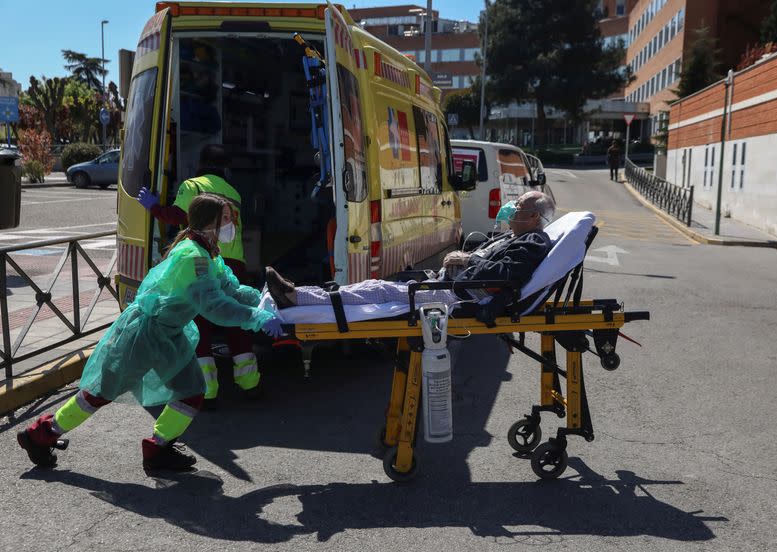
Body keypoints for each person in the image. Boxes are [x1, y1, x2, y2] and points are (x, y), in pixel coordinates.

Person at [17, 195, 284, 471]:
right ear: (209, 223)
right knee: (99, 393)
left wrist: (261, 297)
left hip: (167, 335)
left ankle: (158, 448)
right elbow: (214, 306)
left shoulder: (209, 253)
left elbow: (230, 289)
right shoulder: (193, 256)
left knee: (191, 391)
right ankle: (40, 434)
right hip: (144, 335)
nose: (232, 225)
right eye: (226, 219)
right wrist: (256, 318)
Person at [264, 191, 554, 310]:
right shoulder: (522, 237)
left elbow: (505, 273)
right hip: (452, 286)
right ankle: (301, 295)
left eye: (519, 208)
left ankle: (296, 297)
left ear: (533, 217)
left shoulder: (533, 242)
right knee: (375, 285)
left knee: (377, 290)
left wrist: (468, 260)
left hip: (457, 295)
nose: (513, 211)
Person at [137, 144, 257, 409]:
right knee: (236, 321)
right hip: (234, 263)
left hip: (204, 261)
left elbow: (177, 216)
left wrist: (154, 207)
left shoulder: (192, 185)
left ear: (200, 165)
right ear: (224, 167)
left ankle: (208, 391)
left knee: (199, 323)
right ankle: (249, 383)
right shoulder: (233, 192)